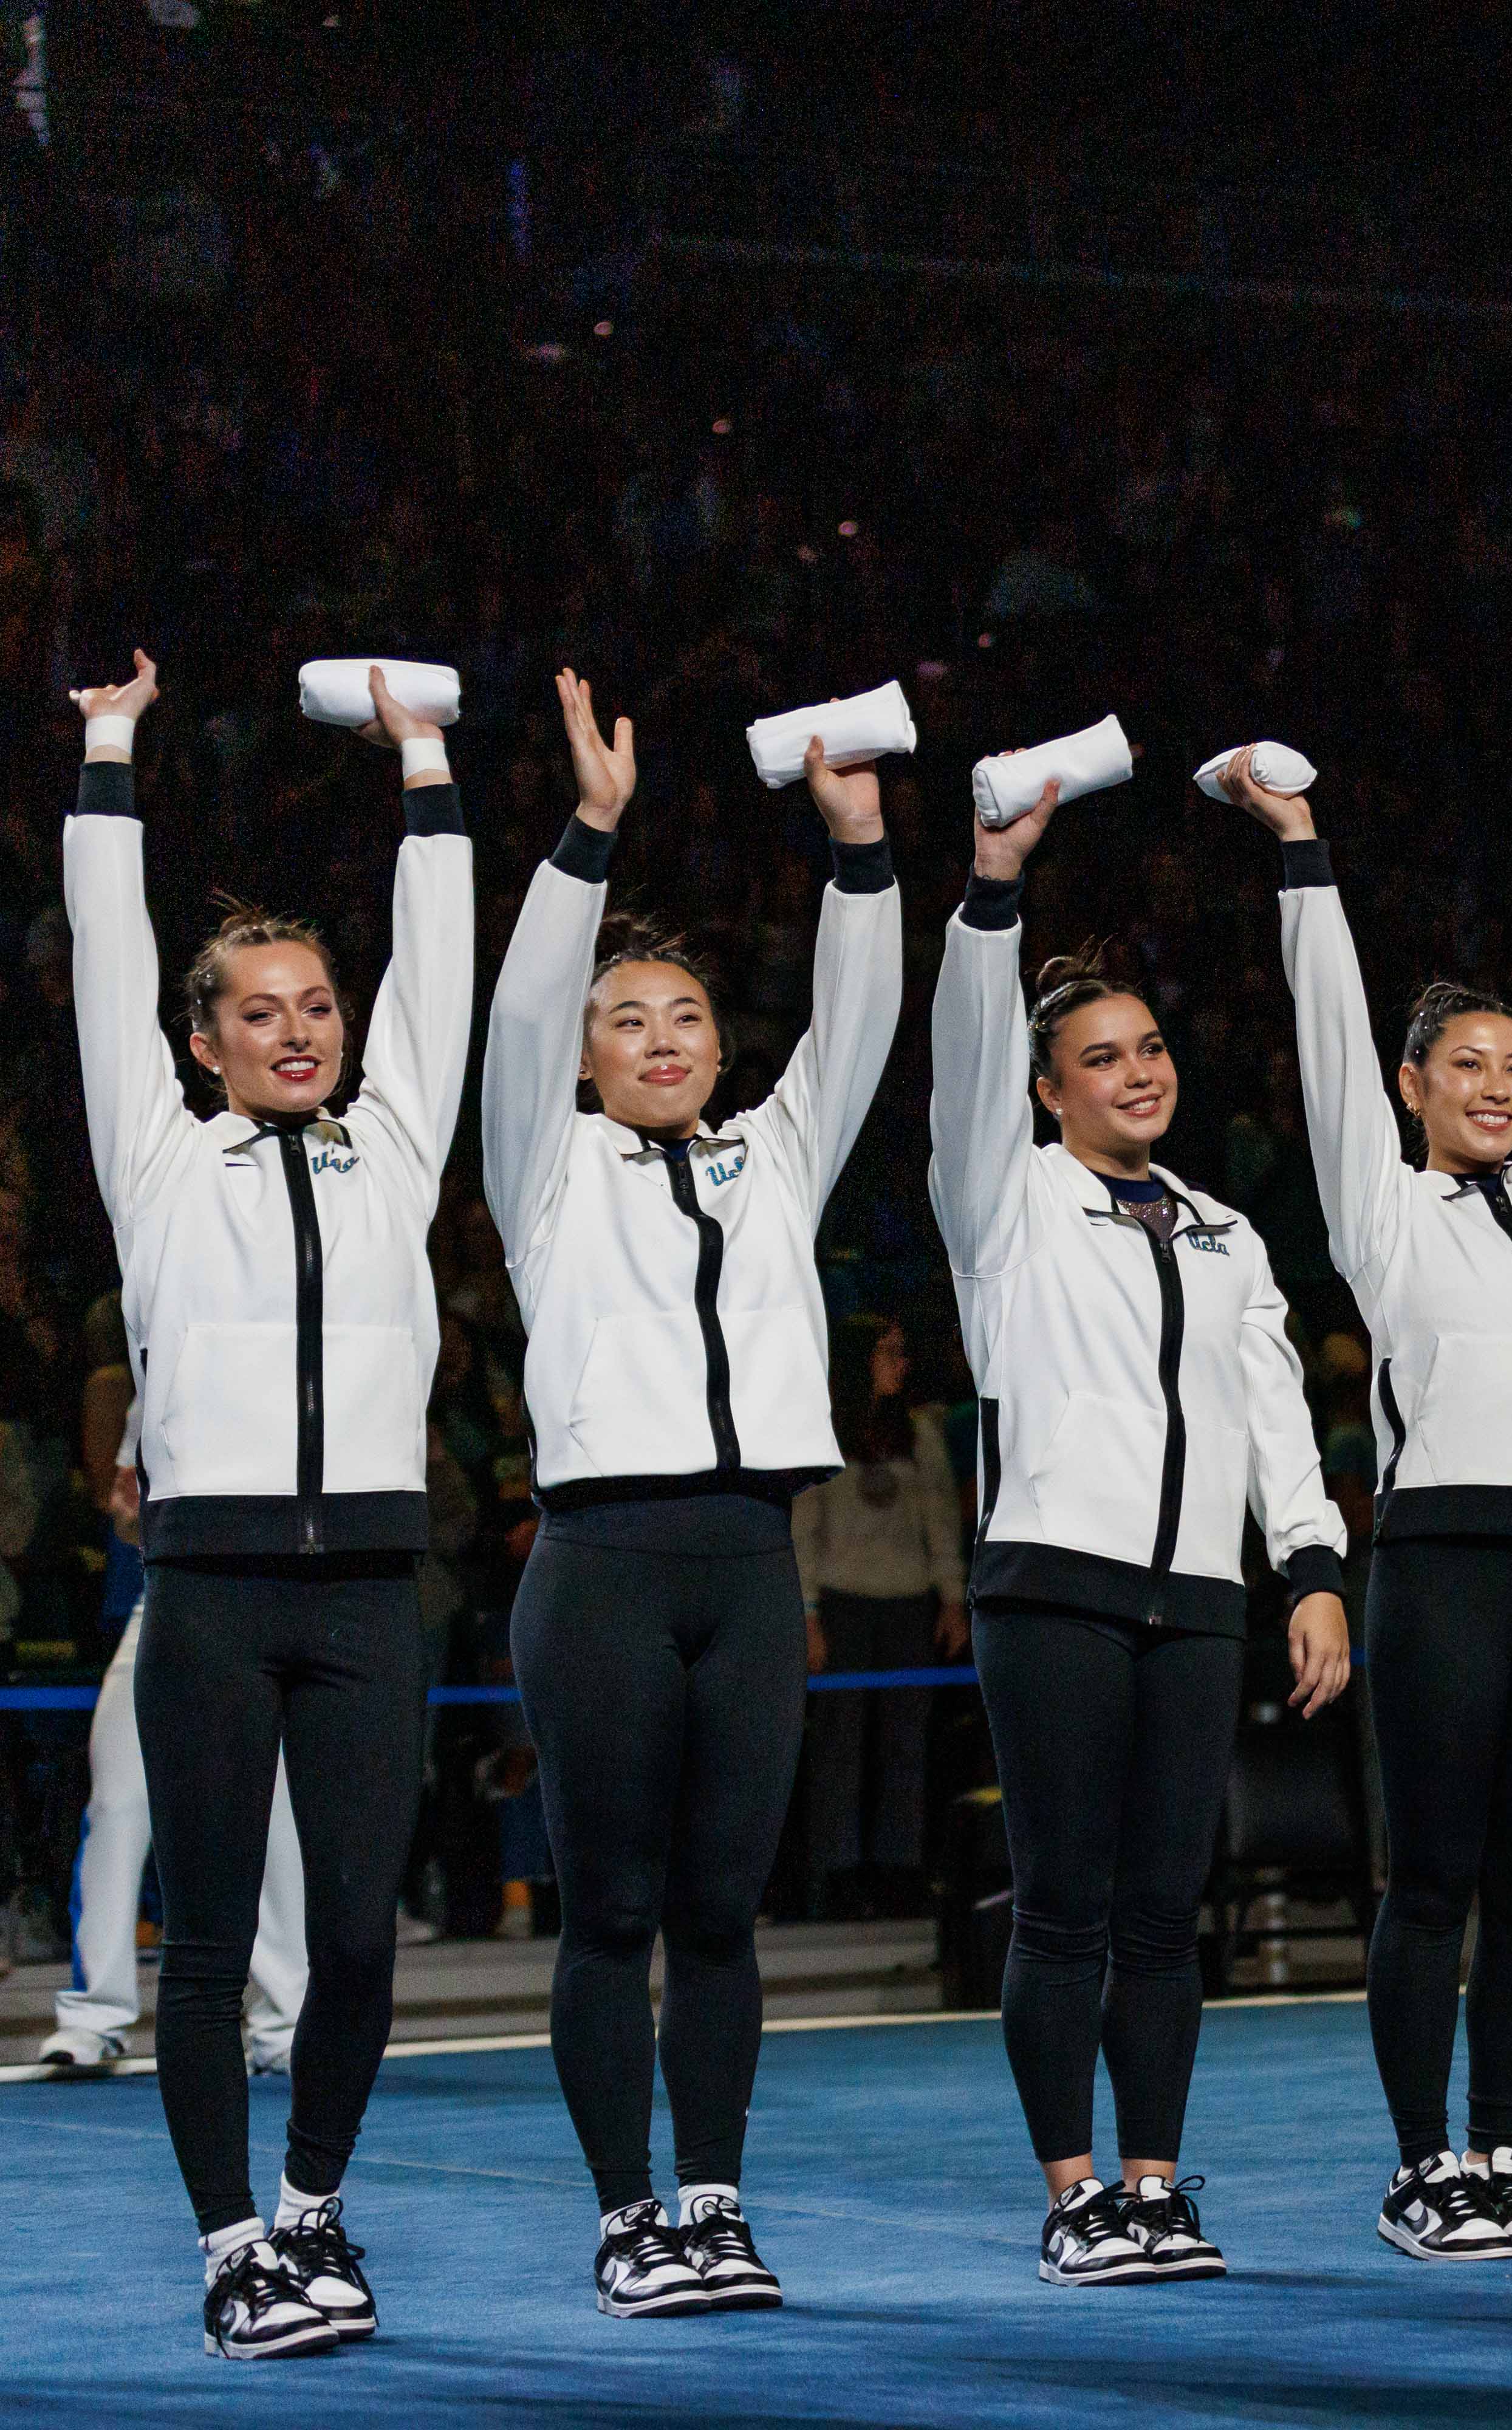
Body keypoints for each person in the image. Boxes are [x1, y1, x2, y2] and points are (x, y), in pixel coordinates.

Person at [66, 651, 474, 2356]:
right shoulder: (159, 1160)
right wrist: (106, 750)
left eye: (318, 1006)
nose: (299, 1030)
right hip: (217, 1588)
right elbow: (104, 960)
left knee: (359, 1937)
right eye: (262, 1010)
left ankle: (314, 2208)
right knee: (212, 1940)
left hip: (376, 1582)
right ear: (204, 1038)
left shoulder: (397, 1144)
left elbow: (439, 968)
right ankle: (233, 2244)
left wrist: (426, 769)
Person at [482, 673, 905, 2315]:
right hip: (597, 1564)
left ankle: (714, 2205)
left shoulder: (774, 1157)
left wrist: (858, 850)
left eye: (685, 1021)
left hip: (748, 1564)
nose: (659, 1043)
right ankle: (620, 2218)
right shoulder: (546, 1163)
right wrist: (589, 830)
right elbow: (519, 1014)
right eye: (626, 1022)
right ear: (588, 1059)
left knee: (722, 1912)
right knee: (612, 1909)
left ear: (723, 1048)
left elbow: (860, 1026)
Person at [1239, 747, 1512, 2260]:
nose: (1499, 1088)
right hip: (1443, 1564)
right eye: (1466, 1067)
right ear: (1414, 1087)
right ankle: (1423, 2162)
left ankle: (1503, 2147)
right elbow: (1325, 1028)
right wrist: (1301, 844)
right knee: (1430, 1881)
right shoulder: (1385, 1203)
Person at [934, 770, 1352, 2288]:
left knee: (1166, 1914)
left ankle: (1157, 2184)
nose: (1136, 1072)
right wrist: (993, 889)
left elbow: (1274, 1413)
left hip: (1199, 1600)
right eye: (1099, 1058)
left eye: (1150, 1047)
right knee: (1064, 1907)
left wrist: (1309, 1568)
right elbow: (962, 1057)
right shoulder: (1006, 1203)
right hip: (1055, 1587)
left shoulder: (1224, 1229)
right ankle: (1071, 2192)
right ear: (1048, 1090)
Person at [36, 1398, 313, 2081]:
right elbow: (124, 1504)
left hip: (269, 1599)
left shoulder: (303, 1367)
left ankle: (287, 2023)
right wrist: (135, 1510)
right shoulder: (156, 1373)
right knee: (118, 1804)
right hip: (164, 1600)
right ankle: (93, 2016)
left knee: (275, 1812)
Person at [788, 1312, 966, 1920]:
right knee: (838, 1742)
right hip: (841, 1601)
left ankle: (900, 1871)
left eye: (903, 1350)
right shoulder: (824, 1426)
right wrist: (808, 1613)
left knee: (905, 1744)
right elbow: (804, 1526)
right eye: (887, 1352)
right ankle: (834, 1874)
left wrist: (951, 1597)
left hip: (909, 1604)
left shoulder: (919, 1431)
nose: (901, 1362)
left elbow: (941, 1519)